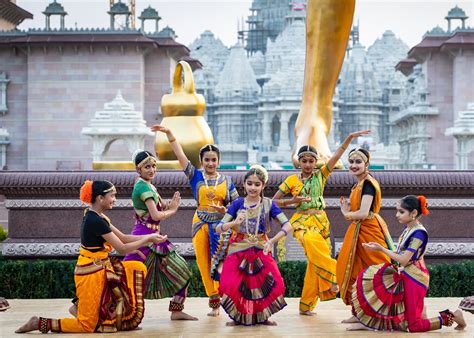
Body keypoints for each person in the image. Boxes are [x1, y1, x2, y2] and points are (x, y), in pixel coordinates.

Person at [16, 180, 167, 333]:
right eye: (112, 196)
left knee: (135, 268)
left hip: (101, 268)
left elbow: (123, 237)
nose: (115, 199)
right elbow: (121, 248)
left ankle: (84, 309)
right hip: (91, 273)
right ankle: (40, 322)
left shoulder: (98, 216)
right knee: (86, 326)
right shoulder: (94, 220)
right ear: (100, 198)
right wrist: (147, 239)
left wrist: (149, 237)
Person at [273, 130, 369, 315]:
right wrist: (292, 202)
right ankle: (338, 276)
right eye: (304, 161)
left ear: (315, 162)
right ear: (299, 162)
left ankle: (306, 304)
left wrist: (349, 138)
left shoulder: (321, 175)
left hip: (321, 221)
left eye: (311, 161)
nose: (308, 164)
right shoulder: (291, 180)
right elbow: (274, 201)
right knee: (311, 242)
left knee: (314, 262)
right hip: (301, 220)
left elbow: (338, 154)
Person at [153, 124, 239, 316]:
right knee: (203, 263)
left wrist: (225, 209)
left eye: (213, 160)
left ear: (218, 161)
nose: (210, 163)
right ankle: (214, 302)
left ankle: (226, 297)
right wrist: (170, 134)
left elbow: (236, 206)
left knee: (221, 263)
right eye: (207, 160)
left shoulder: (227, 180)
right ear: (201, 161)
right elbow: (180, 156)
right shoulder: (195, 175)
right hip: (200, 223)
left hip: (220, 226)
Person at [348, 195, 467, 332]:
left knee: (413, 326)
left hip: (415, 278)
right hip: (406, 274)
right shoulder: (409, 229)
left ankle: (452, 316)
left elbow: (404, 259)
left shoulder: (419, 234)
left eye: (401, 212)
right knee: (382, 293)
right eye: (397, 211)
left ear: (414, 213)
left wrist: (381, 249)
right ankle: (370, 323)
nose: (397, 215)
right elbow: (401, 255)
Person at [123, 150, 197, 320]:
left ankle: (176, 310)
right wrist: (173, 209)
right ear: (138, 169)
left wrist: (171, 204)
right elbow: (156, 216)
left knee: (183, 270)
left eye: (154, 166)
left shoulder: (149, 185)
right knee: (126, 278)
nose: (151, 170)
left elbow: (160, 208)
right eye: (147, 167)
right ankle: (87, 304)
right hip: (143, 239)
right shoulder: (142, 186)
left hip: (155, 237)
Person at [216, 165, 293, 326]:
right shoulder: (237, 204)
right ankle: (238, 317)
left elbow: (287, 225)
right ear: (244, 184)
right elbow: (219, 227)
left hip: (260, 247)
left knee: (268, 283)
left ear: (263, 185)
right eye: (250, 183)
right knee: (232, 283)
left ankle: (262, 316)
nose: (253, 187)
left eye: (257, 184)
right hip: (238, 249)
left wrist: (272, 241)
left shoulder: (269, 204)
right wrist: (234, 223)